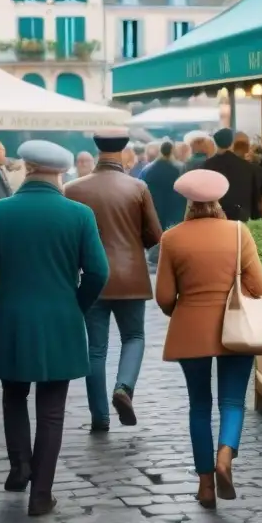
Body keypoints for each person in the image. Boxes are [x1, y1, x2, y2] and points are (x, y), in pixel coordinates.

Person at [0, 140, 109, 516]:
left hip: (11, 319)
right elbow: (98, 272)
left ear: (26, 167)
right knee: (52, 410)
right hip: (61, 320)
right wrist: (75, 305)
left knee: (13, 396)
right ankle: (41, 493)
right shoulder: (79, 215)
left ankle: (20, 466)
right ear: (60, 173)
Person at [155, 169, 262, 509]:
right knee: (232, 401)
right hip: (238, 330)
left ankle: (206, 486)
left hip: (190, 329)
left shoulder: (172, 238)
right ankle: (225, 455)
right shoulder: (238, 233)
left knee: (199, 405)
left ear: (188, 202)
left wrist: (184, 307)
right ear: (219, 200)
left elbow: (164, 297)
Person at [65, 130, 162, 431]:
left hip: (92, 278)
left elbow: (69, 238)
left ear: (96, 151)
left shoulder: (72, 189)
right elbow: (155, 236)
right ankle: (124, 387)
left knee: (95, 348)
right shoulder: (138, 187)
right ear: (124, 152)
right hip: (131, 276)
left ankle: (99, 417)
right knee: (134, 337)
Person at [141, 141, 186, 266]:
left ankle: (156, 258)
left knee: (157, 233)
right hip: (175, 208)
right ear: (172, 151)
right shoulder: (180, 168)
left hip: (155, 207)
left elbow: (141, 188)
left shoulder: (148, 169)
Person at [204, 128, 262, 222]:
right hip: (241, 217)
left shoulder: (206, 166)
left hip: (214, 217)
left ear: (215, 143)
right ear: (232, 143)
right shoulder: (249, 167)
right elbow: (255, 199)